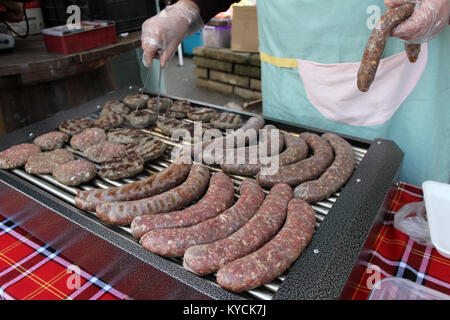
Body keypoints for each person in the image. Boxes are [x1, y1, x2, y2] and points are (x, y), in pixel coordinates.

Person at [141, 0, 450, 186]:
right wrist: (186, 9)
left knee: (412, 203)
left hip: (411, 62)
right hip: (295, 68)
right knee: (286, 170)